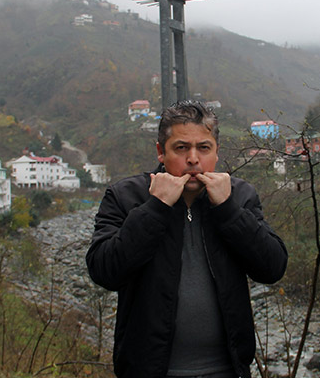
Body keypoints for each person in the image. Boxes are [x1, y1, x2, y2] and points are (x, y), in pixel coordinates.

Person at [86, 100, 288, 378]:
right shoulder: (126, 196)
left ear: (216, 153)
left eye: (203, 148)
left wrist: (228, 210)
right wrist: (155, 208)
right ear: (160, 151)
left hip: (228, 369)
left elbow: (272, 267)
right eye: (181, 148)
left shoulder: (239, 196)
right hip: (150, 371)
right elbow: (103, 270)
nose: (193, 158)